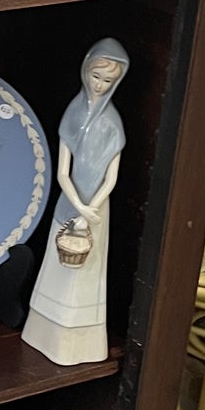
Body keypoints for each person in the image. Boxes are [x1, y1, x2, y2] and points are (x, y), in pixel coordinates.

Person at [23, 39, 129, 366]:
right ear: (85, 71)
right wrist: (78, 206)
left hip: (96, 209)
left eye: (107, 80)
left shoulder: (112, 123)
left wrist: (90, 210)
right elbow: (62, 172)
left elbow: (111, 178)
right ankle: (43, 331)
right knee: (57, 266)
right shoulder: (74, 111)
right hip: (70, 202)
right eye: (96, 76)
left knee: (85, 272)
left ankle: (79, 343)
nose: (99, 85)